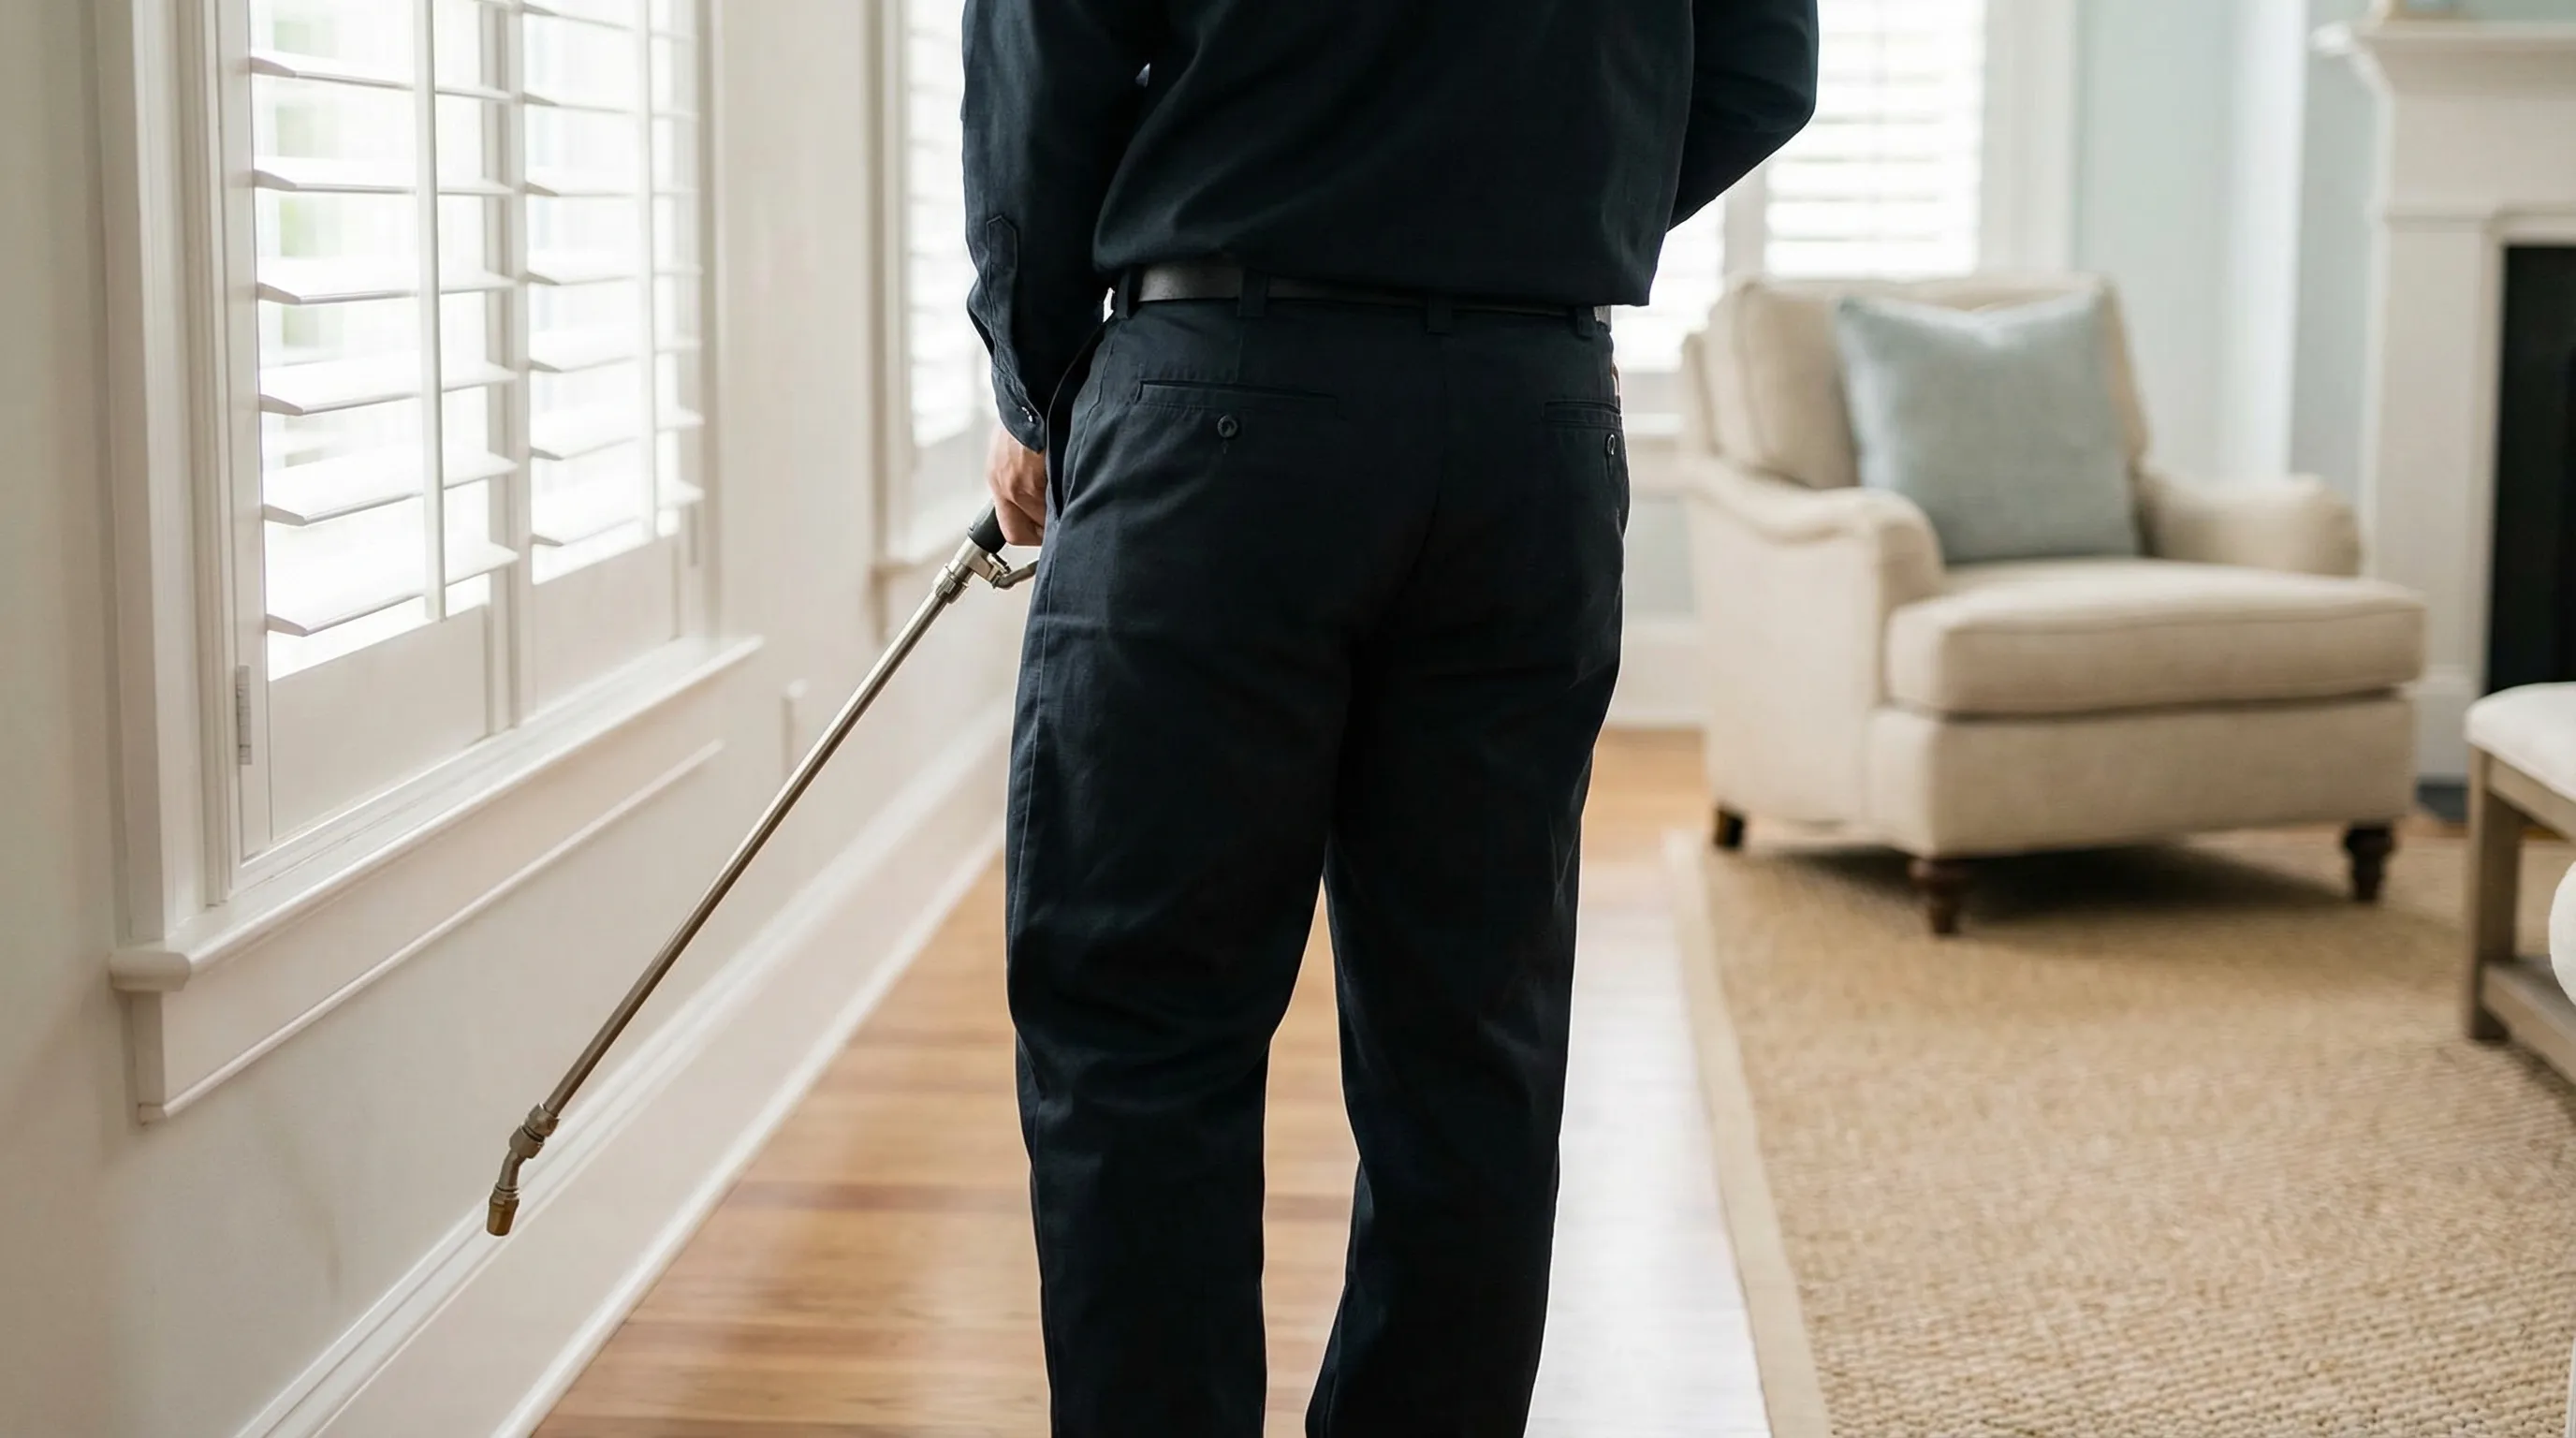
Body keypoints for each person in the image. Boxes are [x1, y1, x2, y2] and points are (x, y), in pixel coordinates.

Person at [962, 3, 1818, 1432]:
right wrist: (1515, 210)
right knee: (1470, 1055)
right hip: (1528, 423)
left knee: (1142, 1043)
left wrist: (1042, 386)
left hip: (1219, 398)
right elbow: (1760, 70)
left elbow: (1047, 60)